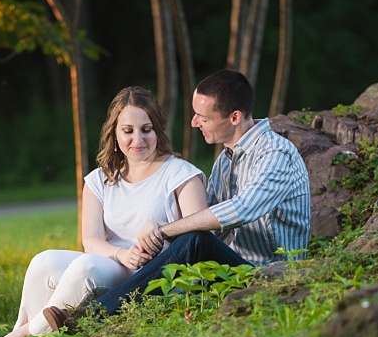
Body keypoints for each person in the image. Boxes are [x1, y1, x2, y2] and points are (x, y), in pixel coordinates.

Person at [50, 68, 311, 322]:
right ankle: (94, 310)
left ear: (234, 117)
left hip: (273, 274)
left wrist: (163, 230)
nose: (194, 122)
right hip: (236, 269)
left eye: (203, 117)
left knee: (195, 238)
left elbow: (240, 210)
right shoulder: (226, 161)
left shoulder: (275, 153)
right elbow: (208, 225)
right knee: (193, 238)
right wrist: (155, 242)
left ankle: (93, 316)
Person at [0, 86, 209, 337]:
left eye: (146, 129)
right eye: (128, 131)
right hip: (114, 262)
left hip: (152, 273)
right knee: (44, 261)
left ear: (158, 130)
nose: (138, 139)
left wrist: (158, 234)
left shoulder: (180, 174)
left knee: (85, 266)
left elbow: (200, 235)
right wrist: (122, 254)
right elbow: (90, 240)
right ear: (115, 134)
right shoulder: (100, 179)